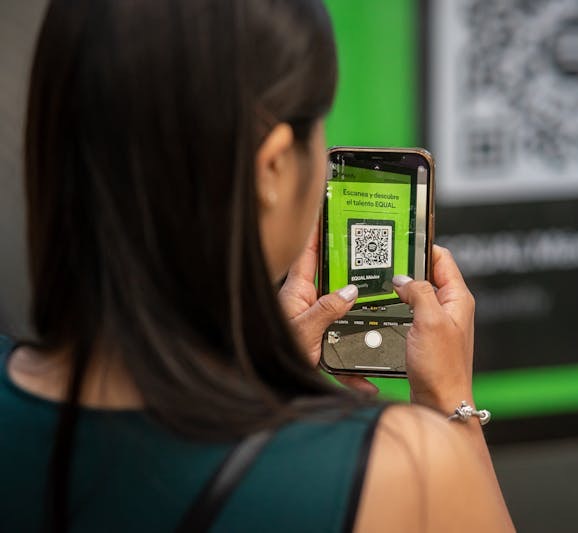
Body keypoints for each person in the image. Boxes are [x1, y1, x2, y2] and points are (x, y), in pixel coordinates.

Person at [0, 0, 514, 531]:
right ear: (271, 166)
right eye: (320, 126)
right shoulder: (402, 466)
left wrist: (259, 369)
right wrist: (453, 409)